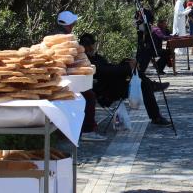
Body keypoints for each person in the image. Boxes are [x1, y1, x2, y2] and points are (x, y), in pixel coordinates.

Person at [80, 33, 171, 127]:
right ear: (84, 47)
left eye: (92, 45)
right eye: (89, 46)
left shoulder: (96, 57)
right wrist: (128, 67)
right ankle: (155, 106)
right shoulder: (85, 61)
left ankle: (152, 90)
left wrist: (126, 62)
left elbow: (110, 67)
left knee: (139, 77)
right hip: (106, 93)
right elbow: (106, 71)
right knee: (143, 83)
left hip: (112, 85)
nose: (91, 48)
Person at [54, 11, 106, 141]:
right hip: (63, 77)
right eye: (73, 23)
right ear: (69, 24)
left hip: (58, 75)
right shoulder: (66, 39)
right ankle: (88, 130)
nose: (74, 25)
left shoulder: (53, 35)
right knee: (89, 96)